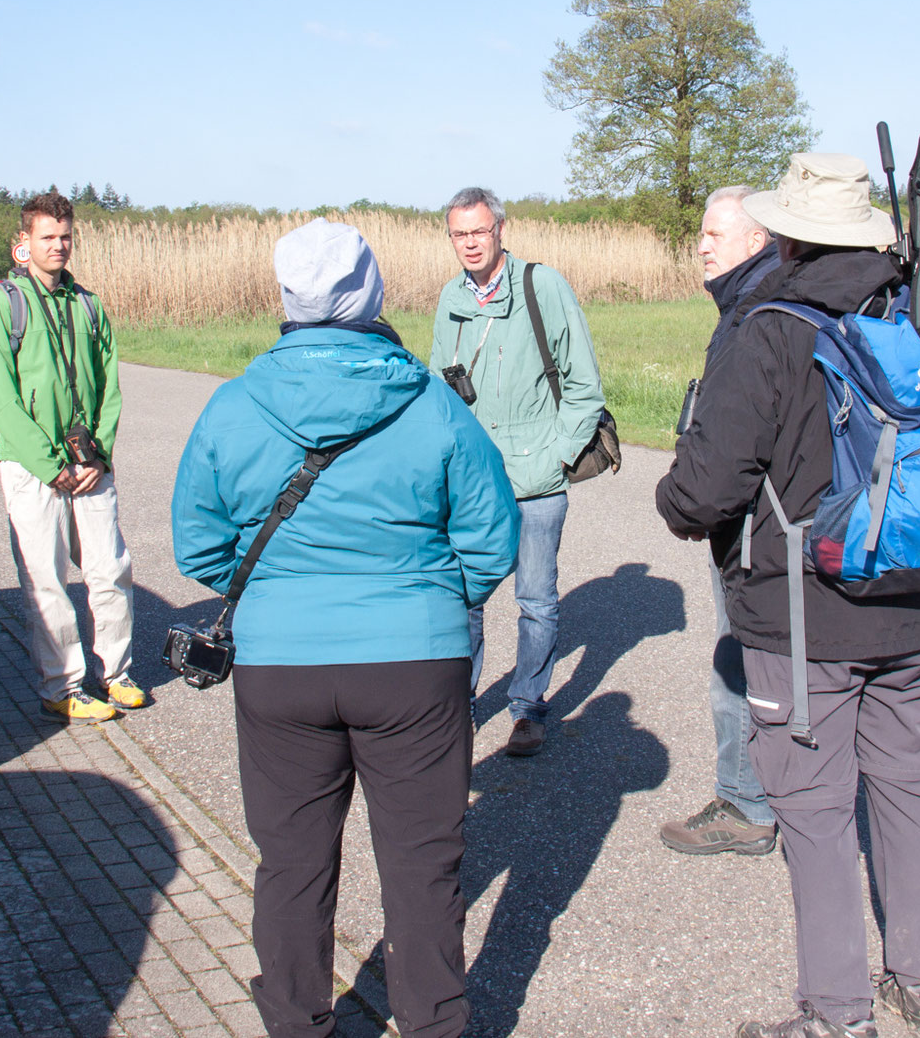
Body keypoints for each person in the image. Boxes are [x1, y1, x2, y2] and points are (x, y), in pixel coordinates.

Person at [173, 218, 519, 1038]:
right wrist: (435, 595)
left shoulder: (234, 403)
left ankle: (298, 1023)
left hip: (280, 666)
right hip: (414, 658)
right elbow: (491, 536)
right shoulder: (431, 401)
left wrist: (270, 596)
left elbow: (199, 541)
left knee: (290, 863)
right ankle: (434, 1020)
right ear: (373, 293)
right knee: (422, 862)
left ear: (286, 298)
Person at [656, 153, 920, 1038]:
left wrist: (670, 502)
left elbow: (708, 487)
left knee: (817, 811)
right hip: (916, 592)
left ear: (789, 232)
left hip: (801, 614)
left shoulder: (771, 324)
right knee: (910, 783)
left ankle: (835, 1015)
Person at [429, 186, 606, 758]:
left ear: (500, 230)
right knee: (464, 600)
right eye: (460, 234)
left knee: (536, 600)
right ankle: (458, 706)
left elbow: (584, 387)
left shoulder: (542, 286)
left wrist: (555, 458)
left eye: (479, 231)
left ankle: (528, 707)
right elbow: (438, 393)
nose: (471, 243)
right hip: (473, 484)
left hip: (537, 482)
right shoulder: (450, 299)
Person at [0, 189, 147, 724]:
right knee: (46, 577)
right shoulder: (5, 304)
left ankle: (115, 674)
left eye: (66, 236)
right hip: (32, 467)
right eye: (47, 237)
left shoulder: (89, 304)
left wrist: (100, 453)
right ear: (22, 243)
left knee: (111, 569)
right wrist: (51, 465)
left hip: (90, 462)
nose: (59, 246)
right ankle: (62, 685)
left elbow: (109, 387)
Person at [658, 185, 781, 857]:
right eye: (701, 234)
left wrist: (680, 500)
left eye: (715, 234)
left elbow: (730, 450)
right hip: (781, 522)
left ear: (756, 241)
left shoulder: (752, 315)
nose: (701, 244)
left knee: (739, 653)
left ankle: (744, 800)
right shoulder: (772, 300)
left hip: (755, 528)